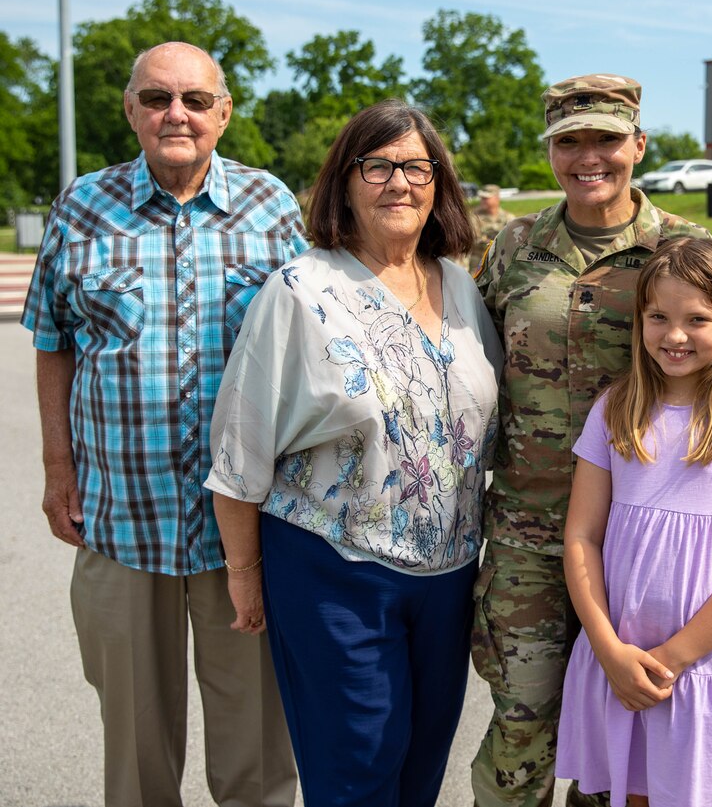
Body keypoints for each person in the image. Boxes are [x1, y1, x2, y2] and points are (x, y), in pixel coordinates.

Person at [21, 42, 305, 807]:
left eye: (192, 99)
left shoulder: (272, 207)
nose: (173, 113)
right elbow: (52, 342)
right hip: (123, 524)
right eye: (155, 98)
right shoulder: (82, 207)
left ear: (224, 111)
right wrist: (58, 469)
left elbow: (313, 350)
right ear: (130, 109)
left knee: (258, 754)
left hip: (244, 531)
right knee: (137, 759)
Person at [205, 98, 501, 807]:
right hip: (335, 572)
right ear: (343, 181)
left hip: (449, 574)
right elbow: (239, 449)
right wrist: (244, 573)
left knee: (422, 765)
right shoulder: (300, 292)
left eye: (415, 166)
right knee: (358, 771)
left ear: (439, 185)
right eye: (377, 166)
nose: (399, 182)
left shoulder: (460, 286)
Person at [471, 73, 712, 807]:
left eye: (606, 139)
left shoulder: (682, 249)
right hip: (530, 532)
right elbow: (473, 366)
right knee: (522, 722)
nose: (588, 157)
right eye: (568, 142)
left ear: (638, 145)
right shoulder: (515, 246)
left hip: (643, 536)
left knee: (628, 732)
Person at [555, 237, 712, 807]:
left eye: (697, 319)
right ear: (640, 319)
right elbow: (581, 536)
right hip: (618, 656)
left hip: (699, 666)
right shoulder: (615, 409)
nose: (675, 335)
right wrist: (608, 648)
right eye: (659, 317)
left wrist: (672, 659)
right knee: (631, 794)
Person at [465, 184, 514, 273]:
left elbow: (514, 240)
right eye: (482, 198)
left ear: (497, 198)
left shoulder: (508, 218)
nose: (482, 201)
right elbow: (474, 239)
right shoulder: (473, 216)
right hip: (478, 265)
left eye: (486, 198)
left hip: (501, 264)